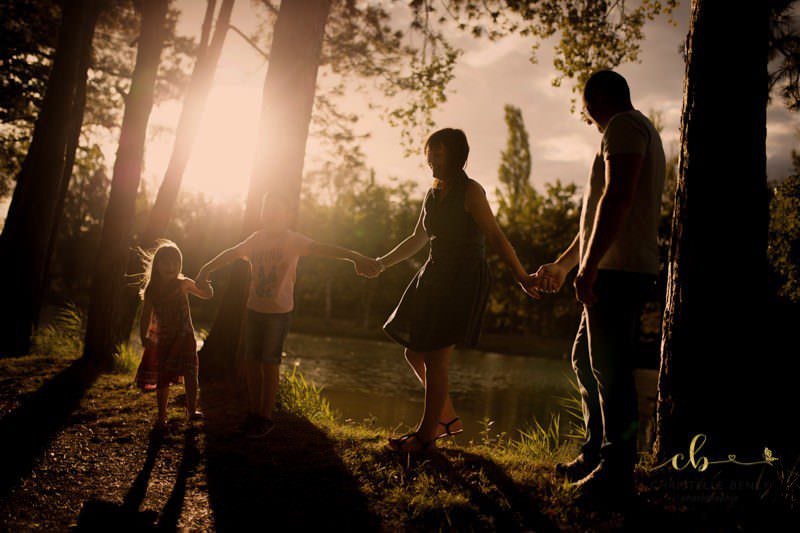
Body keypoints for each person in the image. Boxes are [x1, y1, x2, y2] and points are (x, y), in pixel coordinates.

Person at [534, 70, 665, 502]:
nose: (585, 115)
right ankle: (596, 455)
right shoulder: (630, 129)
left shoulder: (624, 126)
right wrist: (565, 264)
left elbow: (619, 197)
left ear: (595, 100)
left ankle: (615, 470)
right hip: (610, 268)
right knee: (586, 360)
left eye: (585, 106)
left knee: (609, 368)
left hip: (619, 271)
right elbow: (595, 219)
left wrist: (588, 269)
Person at [369, 128, 541, 453]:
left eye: (439, 152)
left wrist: (521, 275)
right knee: (413, 352)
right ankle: (446, 418)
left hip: (461, 280)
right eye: (430, 152)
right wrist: (381, 263)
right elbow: (418, 238)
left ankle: (425, 438)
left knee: (436, 360)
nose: (431, 159)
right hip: (433, 275)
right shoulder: (433, 192)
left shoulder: (471, 192)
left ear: (457, 155)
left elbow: (495, 236)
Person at [197, 192, 380, 438]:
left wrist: (355, 257)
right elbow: (231, 253)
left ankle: (265, 417)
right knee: (251, 361)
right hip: (253, 310)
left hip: (278, 315)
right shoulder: (256, 240)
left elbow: (324, 249)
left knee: (270, 363)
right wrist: (205, 269)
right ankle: (253, 413)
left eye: (276, 209)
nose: (271, 214)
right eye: (267, 209)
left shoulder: (292, 240)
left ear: (286, 216)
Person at [138, 240, 213, 432]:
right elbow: (145, 314)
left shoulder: (184, 284)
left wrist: (206, 283)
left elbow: (206, 295)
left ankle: (192, 410)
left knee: (190, 373)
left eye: (175, 263)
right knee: (163, 376)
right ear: (157, 265)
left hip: (185, 337)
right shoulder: (152, 289)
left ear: (180, 264)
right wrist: (143, 336)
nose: (171, 267)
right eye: (166, 263)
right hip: (163, 339)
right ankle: (162, 416)